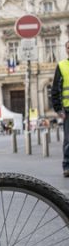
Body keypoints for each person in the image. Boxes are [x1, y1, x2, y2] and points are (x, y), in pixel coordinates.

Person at [51, 39, 69, 176]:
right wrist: (58, 109)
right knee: (68, 140)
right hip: (67, 110)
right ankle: (67, 167)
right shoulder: (62, 65)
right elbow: (55, 89)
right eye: (68, 48)